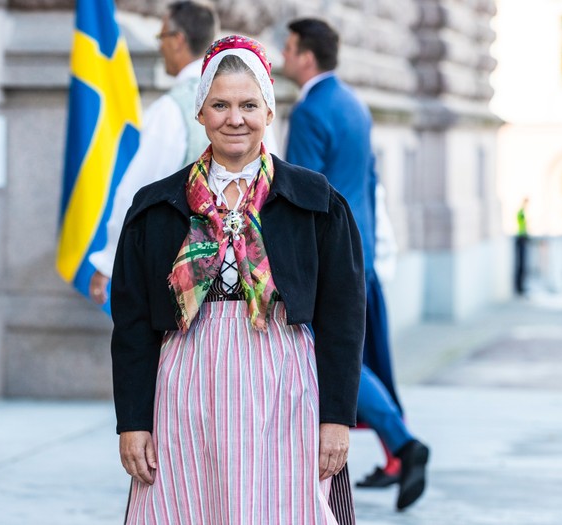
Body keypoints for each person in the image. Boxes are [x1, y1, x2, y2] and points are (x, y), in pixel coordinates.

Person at [111, 35, 365, 524]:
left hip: (281, 385)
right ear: (200, 112)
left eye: (249, 104)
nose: (235, 118)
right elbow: (134, 325)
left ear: (269, 112)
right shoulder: (157, 208)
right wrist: (134, 423)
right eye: (220, 104)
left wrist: (336, 418)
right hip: (184, 383)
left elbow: (344, 318)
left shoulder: (314, 203)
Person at [282, 18, 429, 510]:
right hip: (359, 247)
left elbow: (301, 193)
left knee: (336, 356)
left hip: (327, 253)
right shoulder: (354, 104)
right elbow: (367, 182)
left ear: (305, 55)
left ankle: (405, 445)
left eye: (288, 46)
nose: (283, 55)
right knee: (361, 356)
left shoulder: (308, 113)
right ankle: (397, 450)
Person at [87, 0, 219, 305]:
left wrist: (107, 260)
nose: (160, 47)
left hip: (181, 271)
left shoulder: (170, 109)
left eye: (161, 37)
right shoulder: (249, 106)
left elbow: (136, 192)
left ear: (178, 40)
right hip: (241, 270)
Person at [515, 197, 529, 295]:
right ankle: (519, 288)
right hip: (521, 239)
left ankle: (521, 287)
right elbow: (522, 225)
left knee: (523, 265)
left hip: (523, 238)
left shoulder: (522, 213)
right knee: (521, 264)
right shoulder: (521, 212)